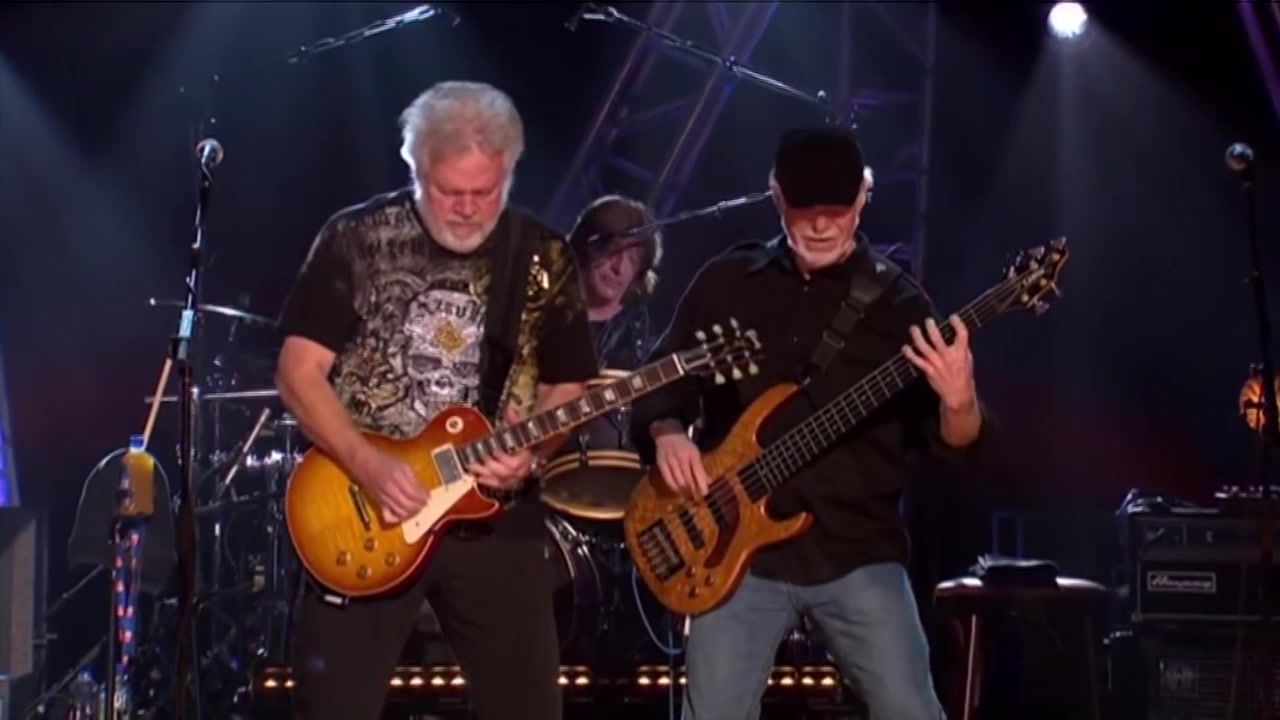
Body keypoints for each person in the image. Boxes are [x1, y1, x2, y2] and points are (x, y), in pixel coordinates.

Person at [629, 126, 988, 720]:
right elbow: (659, 385)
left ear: (863, 197)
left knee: (911, 708)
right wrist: (666, 433)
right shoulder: (727, 283)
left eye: (837, 209)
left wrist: (959, 401)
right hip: (733, 555)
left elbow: (957, 442)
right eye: (805, 209)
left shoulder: (900, 305)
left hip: (856, 548)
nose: (821, 225)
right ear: (776, 196)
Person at [274, 80, 598, 720]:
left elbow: (568, 384)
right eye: (452, 192)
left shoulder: (544, 254)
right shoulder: (357, 239)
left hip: (497, 522)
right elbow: (297, 373)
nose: (470, 209)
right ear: (415, 171)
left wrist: (532, 450)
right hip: (366, 509)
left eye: (487, 191)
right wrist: (368, 463)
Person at [565, 194, 664, 369]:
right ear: (586, 247)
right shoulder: (541, 290)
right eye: (613, 250)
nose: (619, 267)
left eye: (632, 260)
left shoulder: (629, 341)